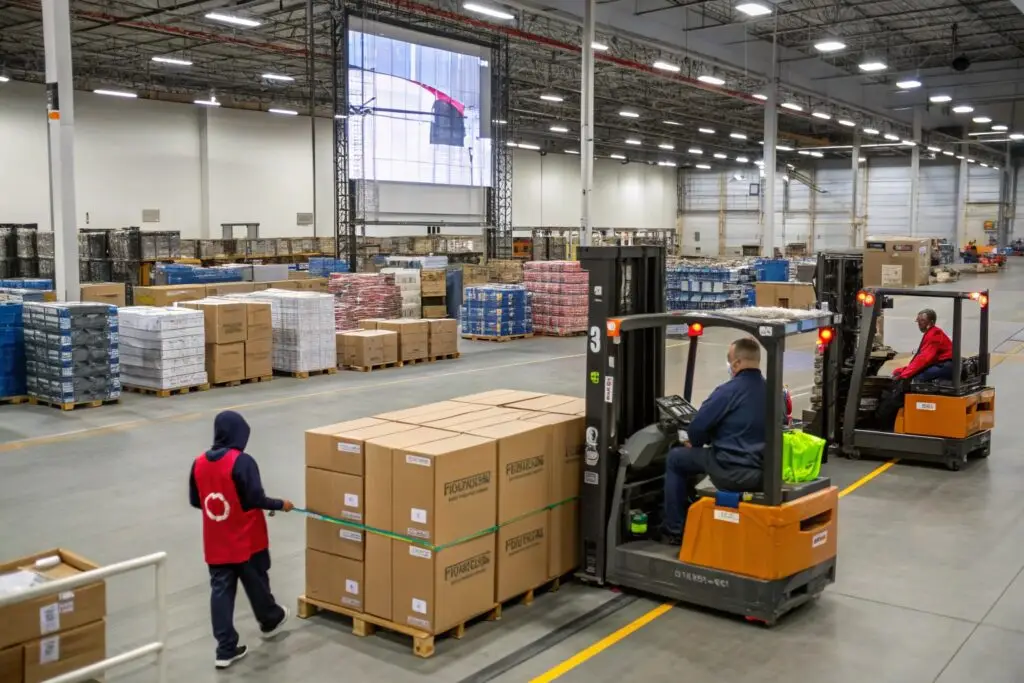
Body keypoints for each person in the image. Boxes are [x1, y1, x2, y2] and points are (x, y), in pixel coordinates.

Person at [189, 410, 294, 669]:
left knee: (221, 593)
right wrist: (281, 504)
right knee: (256, 579)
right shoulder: (242, 461)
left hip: (216, 541)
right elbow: (254, 499)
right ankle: (269, 618)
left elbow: (195, 500)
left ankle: (225, 650)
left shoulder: (199, 462)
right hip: (246, 538)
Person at [660, 337, 766, 544]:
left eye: (729, 360)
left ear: (736, 363)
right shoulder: (774, 393)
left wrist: (696, 442)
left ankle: (674, 530)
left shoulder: (727, 391)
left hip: (731, 470)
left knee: (675, 458)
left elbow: (698, 427)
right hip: (763, 472)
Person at [876, 309, 954, 428]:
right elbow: (921, 359)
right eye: (918, 321)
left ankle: (903, 413)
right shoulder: (931, 333)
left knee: (914, 381)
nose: (919, 324)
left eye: (922, 321)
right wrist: (904, 370)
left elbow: (924, 359)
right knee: (911, 375)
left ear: (931, 322)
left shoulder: (934, 335)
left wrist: (905, 376)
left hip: (946, 366)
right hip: (941, 364)